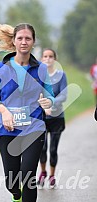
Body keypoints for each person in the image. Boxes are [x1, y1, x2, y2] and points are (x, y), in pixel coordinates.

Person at [0, 23, 54, 202]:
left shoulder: (41, 69)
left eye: (28, 38)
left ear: (33, 42)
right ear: (14, 41)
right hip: (7, 129)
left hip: (33, 128)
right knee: (11, 180)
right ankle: (16, 195)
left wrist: (47, 101)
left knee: (28, 175)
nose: (24, 42)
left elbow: (50, 95)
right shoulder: (2, 68)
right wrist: (3, 110)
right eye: (20, 38)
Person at [37, 48, 68, 189]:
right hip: (41, 117)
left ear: (54, 59)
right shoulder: (38, 76)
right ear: (42, 59)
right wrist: (44, 107)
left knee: (53, 149)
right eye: (45, 56)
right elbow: (35, 94)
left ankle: (52, 175)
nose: (48, 59)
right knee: (42, 148)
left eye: (50, 56)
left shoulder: (61, 75)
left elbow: (64, 95)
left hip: (57, 117)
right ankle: (43, 172)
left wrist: (51, 103)